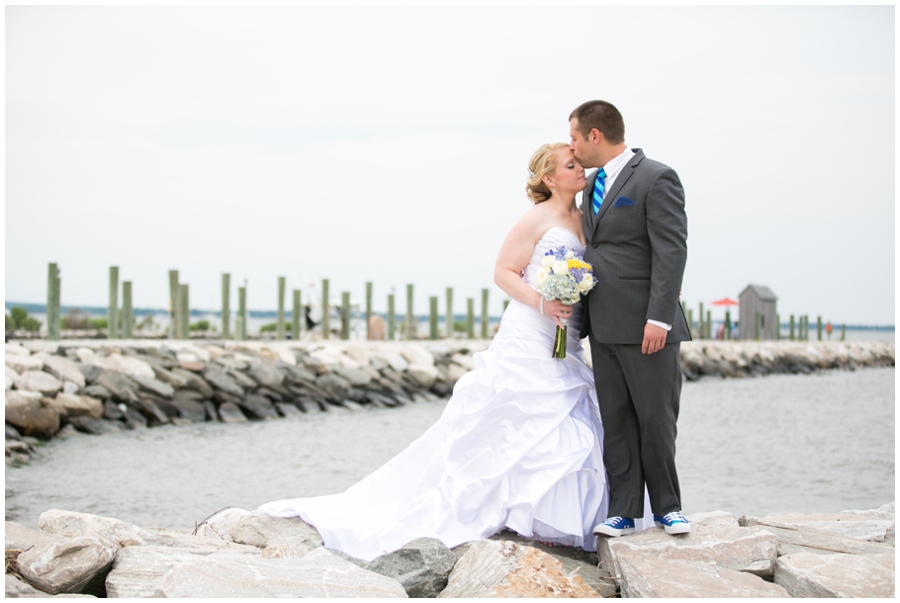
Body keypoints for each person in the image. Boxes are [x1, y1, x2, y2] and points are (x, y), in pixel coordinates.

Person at [258, 142, 652, 562]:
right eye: (571, 165)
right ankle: (518, 515)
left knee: (573, 419)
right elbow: (502, 272)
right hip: (532, 331)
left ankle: (564, 519)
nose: (580, 170)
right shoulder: (536, 219)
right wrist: (543, 301)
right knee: (523, 415)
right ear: (550, 178)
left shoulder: (587, 216)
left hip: (567, 334)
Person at [568, 100, 692, 538]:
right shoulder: (589, 188)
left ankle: (668, 508)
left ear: (595, 136)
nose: (573, 147)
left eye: (575, 138)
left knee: (656, 417)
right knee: (616, 419)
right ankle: (623, 510)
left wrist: (659, 318)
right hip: (602, 324)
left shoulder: (656, 177)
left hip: (647, 327)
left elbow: (671, 250)